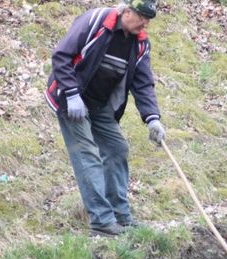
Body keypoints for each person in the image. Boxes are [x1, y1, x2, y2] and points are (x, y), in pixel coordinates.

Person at [44, 0, 165, 237]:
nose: (145, 23)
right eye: (142, 17)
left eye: (149, 19)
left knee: (117, 148)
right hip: (71, 100)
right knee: (87, 153)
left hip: (100, 105)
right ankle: (101, 221)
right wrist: (71, 93)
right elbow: (61, 56)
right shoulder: (95, 21)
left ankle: (121, 217)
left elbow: (143, 83)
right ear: (127, 11)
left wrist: (152, 118)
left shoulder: (140, 43)